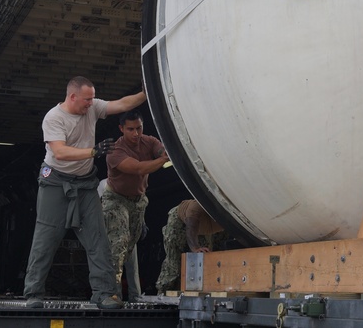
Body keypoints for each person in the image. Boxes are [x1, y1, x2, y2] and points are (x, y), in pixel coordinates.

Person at [23, 76, 147, 309]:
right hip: (55, 183)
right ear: (72, 97)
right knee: (46, 238)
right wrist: (93, 152)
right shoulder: (54, 118)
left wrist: (145, 93)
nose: (92, 103)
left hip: (85, 184)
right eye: (87, 99)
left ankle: (104, 294)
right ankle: (33, 293)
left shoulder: (91, 107)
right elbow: (59, 152)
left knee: (98, 239)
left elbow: (120, 104)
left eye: (93, 98)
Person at [102, 110, 169, 301]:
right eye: (130, 129)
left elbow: (160, 149)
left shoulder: (149, 141)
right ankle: (111, 294)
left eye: (139, 128)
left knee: (130, 247)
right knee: (118, 243)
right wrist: (163, 159)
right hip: (116, 199)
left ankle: (133, 294)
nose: (135, 134)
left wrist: (164, 152)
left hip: (138, 202)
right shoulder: (115, 151)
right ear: (121, 129)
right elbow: (139, 169)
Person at [155, 199, 225, 294]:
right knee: (174, 262)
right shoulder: (196, 207)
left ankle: (197, 291)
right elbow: (191, 228)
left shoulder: (229, 215)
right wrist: (195, 248)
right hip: (180, 222)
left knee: (204, 258)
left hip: (201, 229)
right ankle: (163, 291)